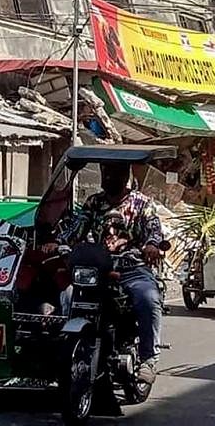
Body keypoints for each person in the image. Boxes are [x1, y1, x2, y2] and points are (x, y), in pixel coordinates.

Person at [62, 164, 165, 385]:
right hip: (98, 269)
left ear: (125, 175)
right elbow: (76, 230)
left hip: (133, 268)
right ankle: (67, 347)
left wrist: (152, 245)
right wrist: (57, 243)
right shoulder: (94, 202)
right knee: (69, 295)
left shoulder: (143, 204)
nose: (110, 176)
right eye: (106, 172)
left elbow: (155, 231)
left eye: (115, 173)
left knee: (148, 299)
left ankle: (149, 358)